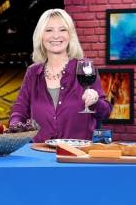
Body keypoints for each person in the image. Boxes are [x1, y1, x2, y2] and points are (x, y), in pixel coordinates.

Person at [10, 8, 110, 142]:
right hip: (39, 151)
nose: (56, 36)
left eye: (62, 30)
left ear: (70, 35)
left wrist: (95, 102)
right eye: (49, 30)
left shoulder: (85, 68)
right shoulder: (32, 73)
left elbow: (105, 113)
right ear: (40, 36)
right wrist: (15, 127)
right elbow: (19, 111)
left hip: (77, 152)